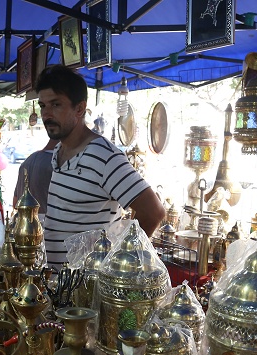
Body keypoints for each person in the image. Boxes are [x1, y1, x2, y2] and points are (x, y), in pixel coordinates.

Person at [35, 65, 165, 267]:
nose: (46, 114)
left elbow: (153, 212)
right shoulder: (59, 151)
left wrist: (120, 263)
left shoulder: (104, 156)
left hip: (86, 291)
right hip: (57, 286)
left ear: (79, 109)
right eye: (43, 105)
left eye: (56, 105)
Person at [12, 138, 58, 215]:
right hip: (49, 221)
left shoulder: (28, 160)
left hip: (23, 220)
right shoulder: (58, 163)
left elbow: (15, 202)